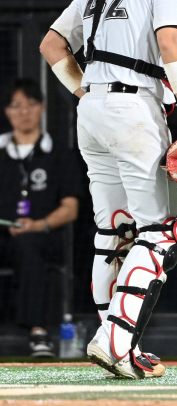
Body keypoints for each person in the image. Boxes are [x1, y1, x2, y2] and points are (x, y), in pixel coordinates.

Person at [39, 0, 177, 379]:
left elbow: (52, 44)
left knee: (113, 230)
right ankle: (115, 340)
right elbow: (170, 41)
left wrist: (83, 92)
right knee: (160, 234)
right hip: (134, 107)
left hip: (91, 109)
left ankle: (118, 342)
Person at [0, 78, 81, 357]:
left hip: (43, 238)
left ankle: (38, 333)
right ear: (7, 112)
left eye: (31, 105)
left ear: (42, 109)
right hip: (3, 238)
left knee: (30, 245)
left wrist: (37, 225)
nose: (24, 112)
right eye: (16, 106)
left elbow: (70, 208)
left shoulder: (59, 154)